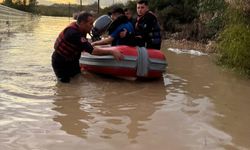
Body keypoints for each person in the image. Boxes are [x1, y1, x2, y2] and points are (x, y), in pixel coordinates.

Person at [52, 12, 123, 83]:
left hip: (73, 61)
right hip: (61, 62)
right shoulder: (72, 33)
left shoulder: (81, 29)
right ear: (82, 23)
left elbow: (85, 42)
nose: (92, 26)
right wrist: (112, 51)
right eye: (90, 24)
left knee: (77, 80)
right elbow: (92, 51)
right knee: (65, 85)